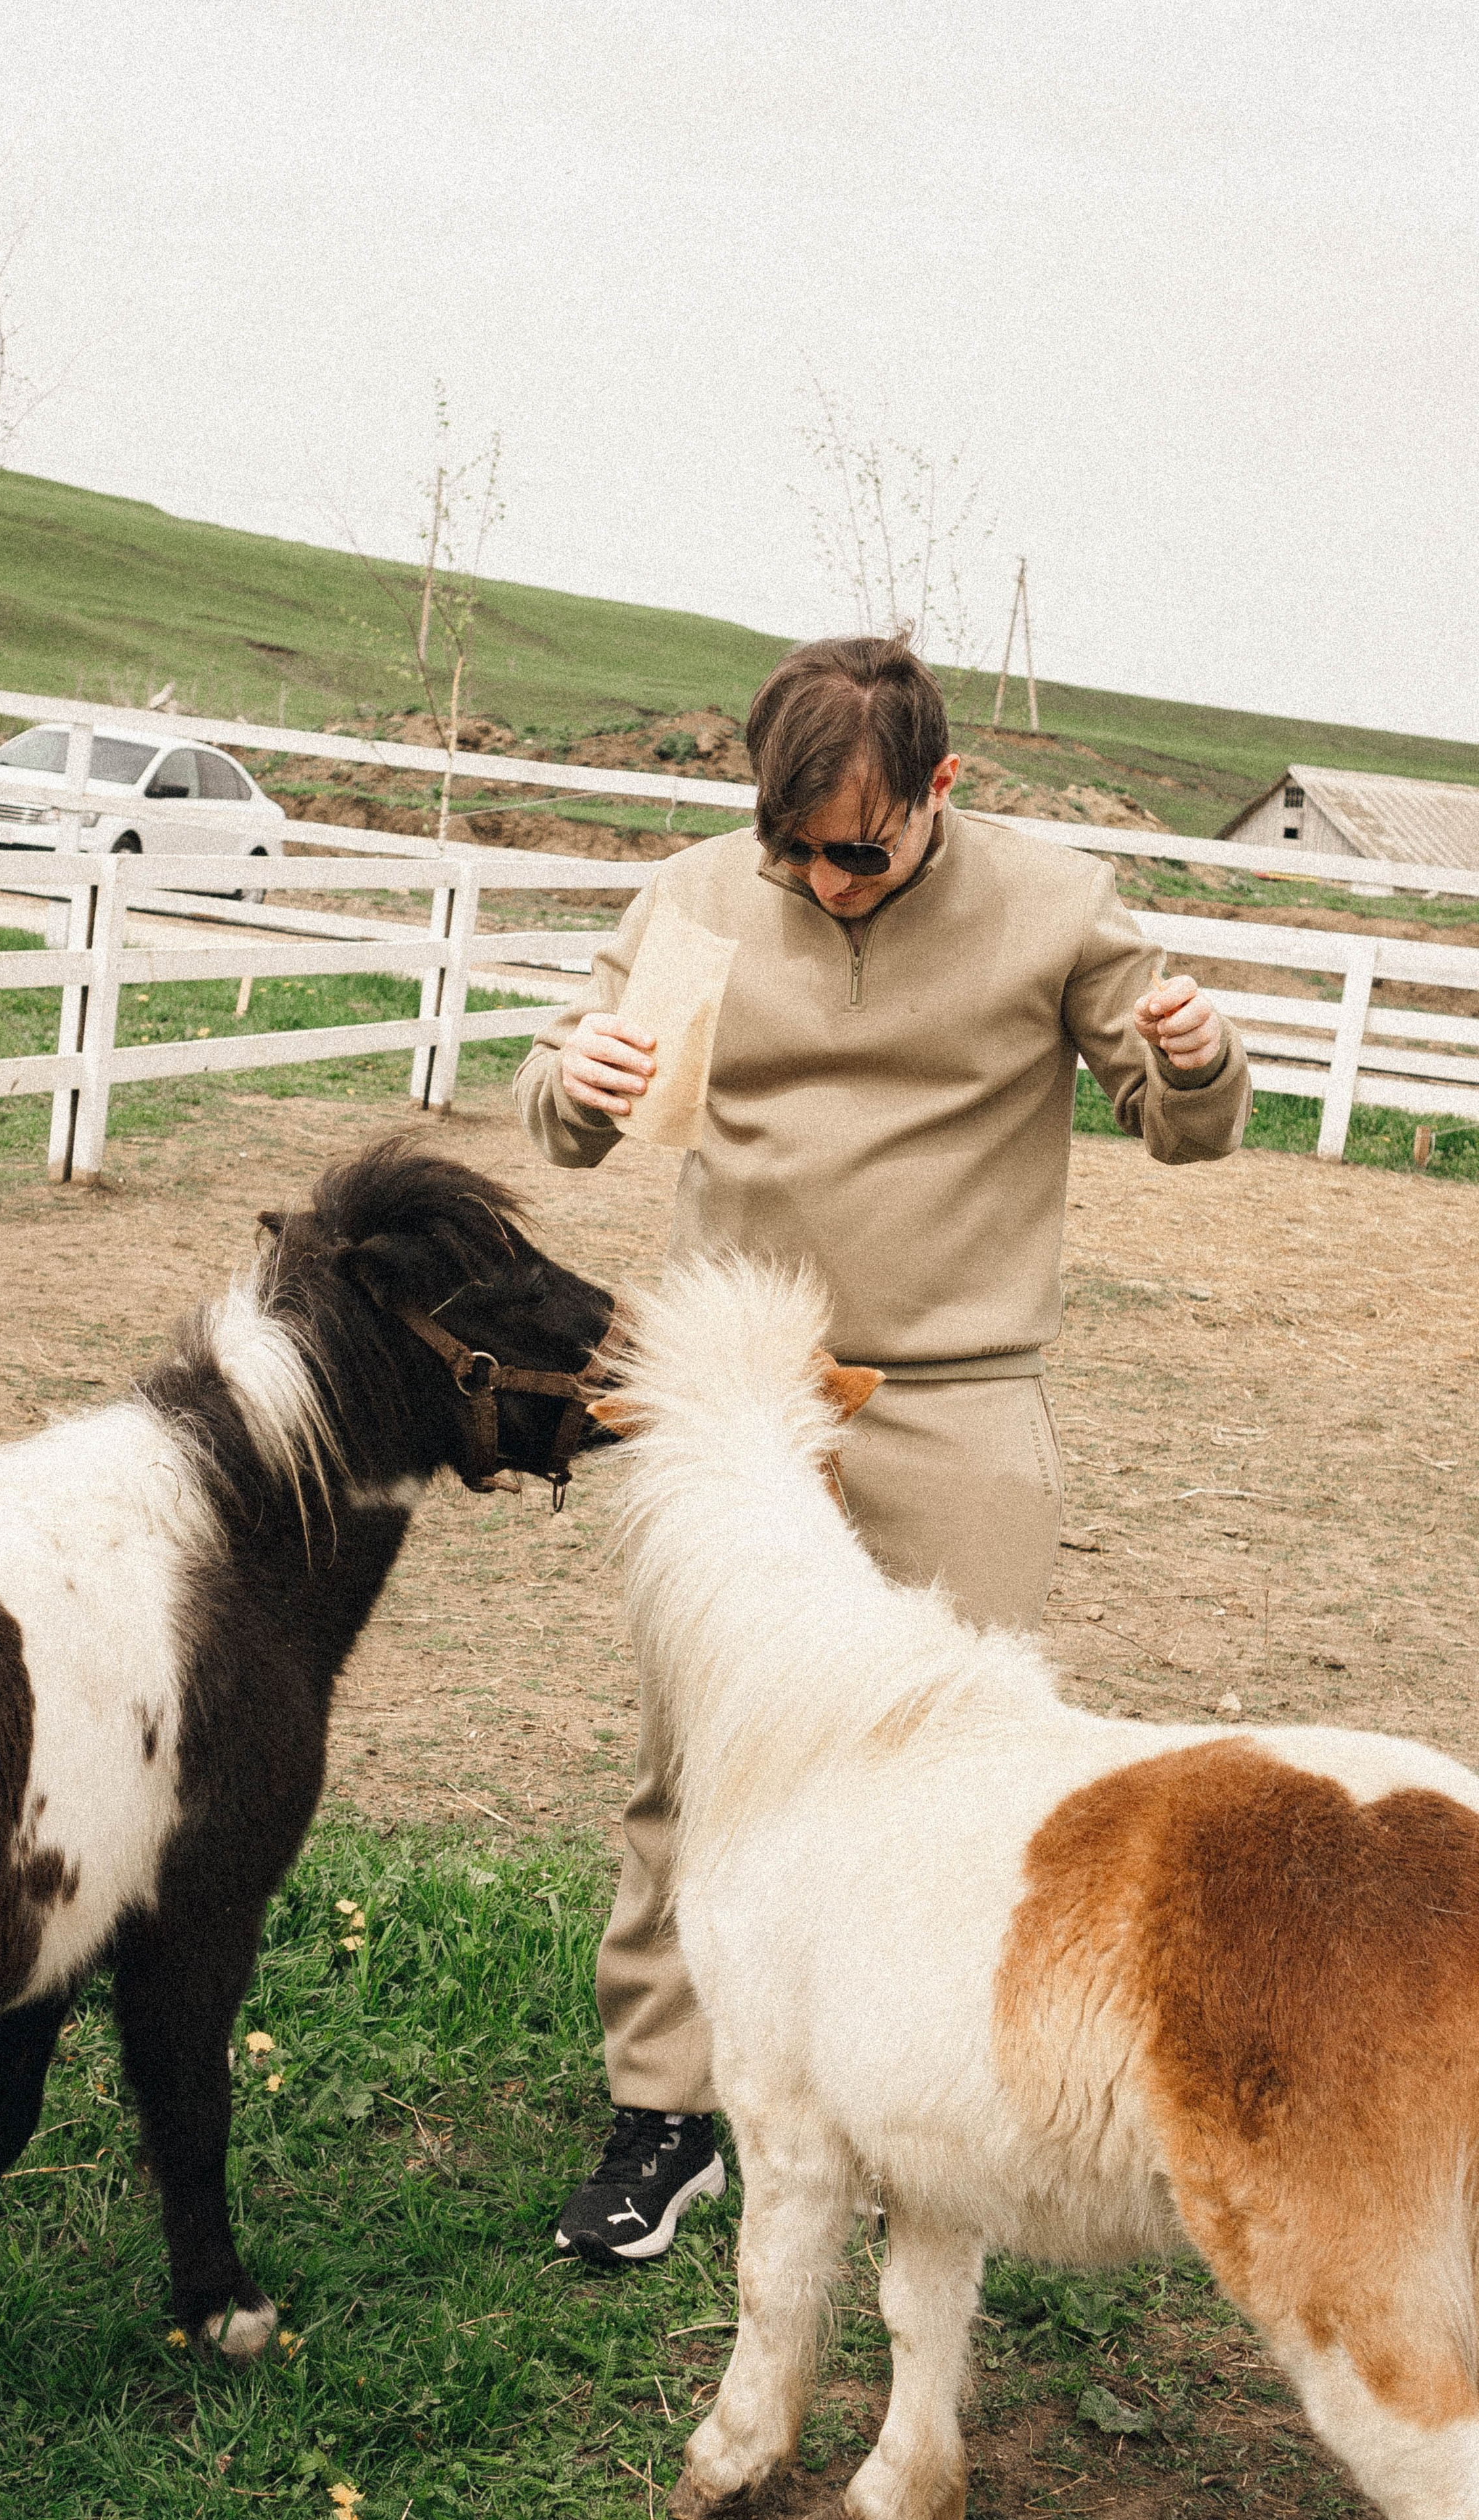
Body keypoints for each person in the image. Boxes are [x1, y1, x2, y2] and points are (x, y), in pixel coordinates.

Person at [513, 634, 1251, 2266]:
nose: (823, 883)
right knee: (696, 1767)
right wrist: (566, 1076)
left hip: (961, 1398)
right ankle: (664, 2112)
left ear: (941, 791)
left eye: (860, 850)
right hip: (734, 1403)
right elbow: (566, 1118)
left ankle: (917, 2119)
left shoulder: (1059, 904)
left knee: (954, 1776)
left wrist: (1198, 1062)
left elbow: (1181, 1119)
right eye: (791, 850)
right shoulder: (695, 898)